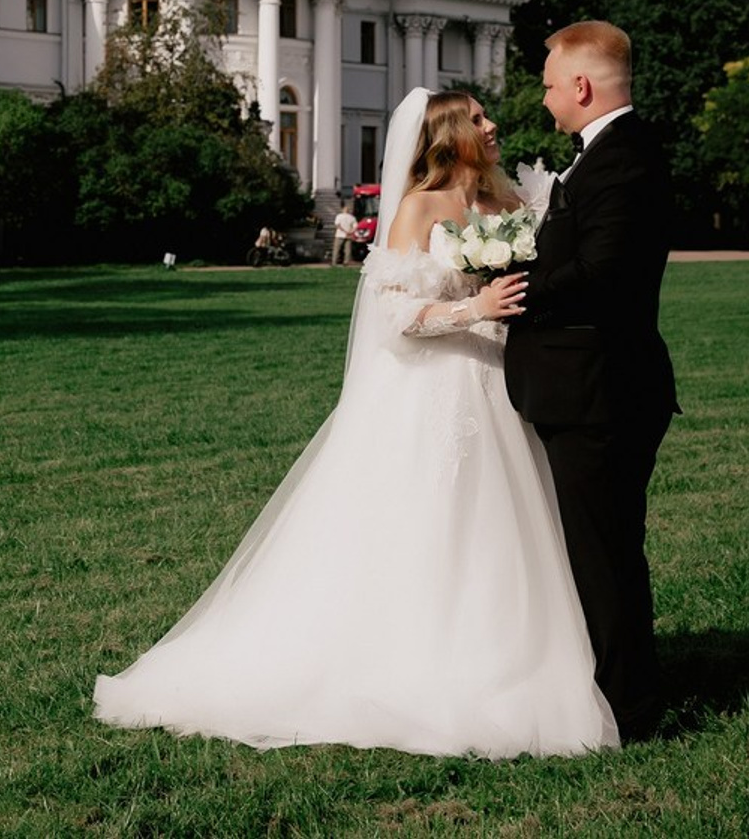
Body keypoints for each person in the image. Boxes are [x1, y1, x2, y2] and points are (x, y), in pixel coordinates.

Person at [94, 89, 617, 758]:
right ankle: (410, 658)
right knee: (429, 519)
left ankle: (513, 652)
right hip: (435, 385)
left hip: (500, 382)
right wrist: (475, 307)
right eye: (480, 119)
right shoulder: (419, 209)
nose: (494, 127)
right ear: (450, 135)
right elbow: (397, 312)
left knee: (505, 520)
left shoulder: (510, 201)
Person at [504, 21, 680, 743]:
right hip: (594, 385)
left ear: (581, 86)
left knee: (603, 555)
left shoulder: (624, 160)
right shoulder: (606, 154)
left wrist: (518, 287)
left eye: (549, 85)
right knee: (602, 547)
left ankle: (629, 709)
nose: (544, 100)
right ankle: (622, 687)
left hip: (600, 390)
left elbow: (604, 274)